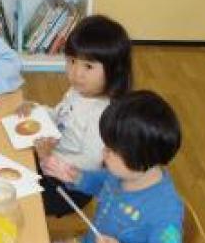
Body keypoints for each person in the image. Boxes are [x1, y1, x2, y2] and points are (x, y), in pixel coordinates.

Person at [45, 90, 184, 243]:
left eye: (111, 150)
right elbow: (101, 183)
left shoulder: (165, 210)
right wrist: (76, 176)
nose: (103, 153)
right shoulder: (122, 173)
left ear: (140, 158)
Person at [19, 15, 132, 216]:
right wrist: (36, 109)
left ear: (114, 70)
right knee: (12, 162)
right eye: (72, 61)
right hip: (52, 162)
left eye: (88, 66)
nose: (76, 73)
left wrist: (48, 157)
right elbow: (59, 116)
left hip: (70, 187)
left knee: (19, 197)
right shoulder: (78, 92)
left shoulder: (102, 114)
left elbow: (91, 162)